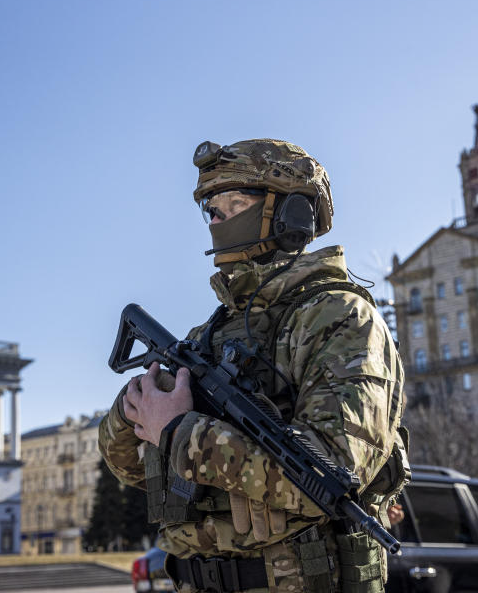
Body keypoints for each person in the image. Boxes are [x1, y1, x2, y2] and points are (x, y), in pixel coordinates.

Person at [100, 139, 409, 593]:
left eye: (233, 203)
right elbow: (130, 467)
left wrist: (180, 431)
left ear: (290, 217)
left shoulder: (339, 317)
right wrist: (133, 412)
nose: (215, 220)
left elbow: (333, 472)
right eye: (210, 209)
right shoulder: (210, 333)